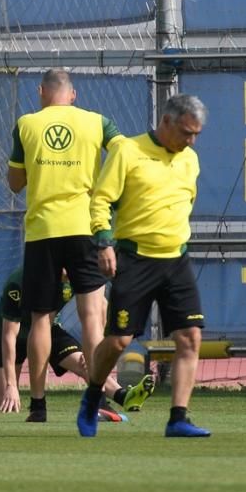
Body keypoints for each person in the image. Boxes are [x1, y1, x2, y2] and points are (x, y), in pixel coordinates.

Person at [77, 93, 211, 438]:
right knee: (119, 341)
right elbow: (101, 200)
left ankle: (178, 418)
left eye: (196, 134)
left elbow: (186, 201)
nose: (190, 141)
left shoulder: (190, 160)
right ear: (165, 122)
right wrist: (104, 242)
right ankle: (93, 395)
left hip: (176, 259)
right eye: (185, 132)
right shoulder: (128, 151)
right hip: (135, 259)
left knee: (190, 337)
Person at [7, 68, 122, 421]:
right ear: (73, 94)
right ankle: (96, 395)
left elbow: (14, 183)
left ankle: (39, 405)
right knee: (92, 315)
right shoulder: (97, 122)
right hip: (84, 227)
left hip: (42, 230)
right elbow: (123, 151)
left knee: (40, 317)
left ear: (41, 91)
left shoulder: (26, 124)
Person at [0, 266, 153, 421]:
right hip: (12, 337)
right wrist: (11, 385)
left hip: (48, 331)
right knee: (3, 402)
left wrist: (93, 352)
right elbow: (8, 336)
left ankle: (124, 396)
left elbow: (100, 309)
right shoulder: (19, 282)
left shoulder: (77, 278)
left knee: (84, 363)